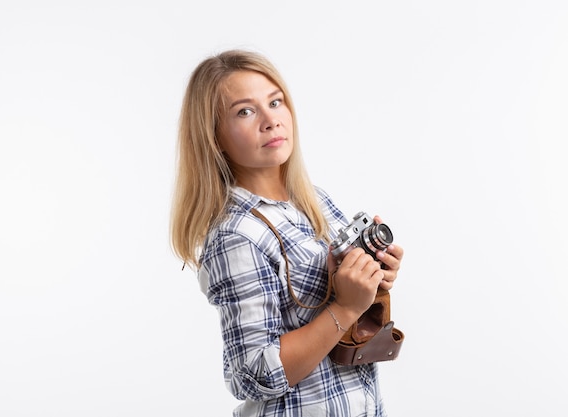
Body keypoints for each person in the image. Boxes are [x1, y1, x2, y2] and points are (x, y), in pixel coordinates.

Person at [169, 49, 404, 416]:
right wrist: (344, 306)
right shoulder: (236, 235)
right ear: (213, 137)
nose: (270, 120)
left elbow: (339, 311)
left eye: (275, 102)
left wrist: (373, 279)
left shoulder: (313, 201)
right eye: (245, 111)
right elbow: (251, 374)